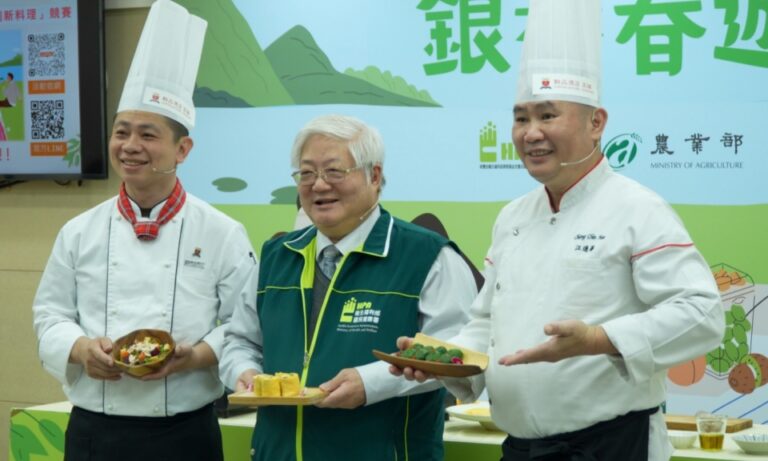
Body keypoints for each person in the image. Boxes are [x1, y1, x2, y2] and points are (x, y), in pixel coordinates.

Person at [391, 1, 724, 460]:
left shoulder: (637, 208)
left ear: (596, 123)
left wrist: (598, 340)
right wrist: (445, 360)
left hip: (611, 446)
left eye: (547, 116)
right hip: (520, 447)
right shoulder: (513, 217)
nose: (530, 133)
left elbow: (702, 314)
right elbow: (487, 323)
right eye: (521, 118)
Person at [32, 2, 256, 460]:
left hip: (186, 434)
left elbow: (244, 325)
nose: (130, 146)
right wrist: (80, 348)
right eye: (121, 132)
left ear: (183, 149)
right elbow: (50, 315)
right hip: (94, 431)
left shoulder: (222, 232)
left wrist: (196, 356)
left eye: (148, 135)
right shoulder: (79, 230)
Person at [219, 114, 477, 461]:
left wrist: (370, 383)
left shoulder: (428, 256)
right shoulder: (276, 256)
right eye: (306, 173)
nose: (318, 185)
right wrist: (244, 372)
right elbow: (240, 340)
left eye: (334, 171)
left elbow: (456, 355)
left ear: (375, 176)